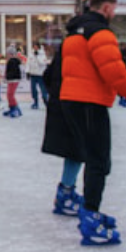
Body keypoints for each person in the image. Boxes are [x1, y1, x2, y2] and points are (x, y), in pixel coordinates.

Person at [59, 0, 126, 246]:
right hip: (89, 102)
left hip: (73, 100)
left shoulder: (74, 33)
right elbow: (115, 72)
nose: (115, 13)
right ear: (106, 8)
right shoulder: (100, 33)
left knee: (93, 157)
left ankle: (91, 209)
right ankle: (90, 217)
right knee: (98, 160)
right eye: (114, 8)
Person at [41, 42, 86, 219]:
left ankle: (67, 189)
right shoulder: (80, 49)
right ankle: (65, 193)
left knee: (75, 150)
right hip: (75, 104)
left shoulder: (65, 49)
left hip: (63, 103)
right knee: (78, 150)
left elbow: (47, 75)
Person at [26, 42, 49, 109]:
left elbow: (43, 63)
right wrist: (27, 71)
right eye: (34, 46)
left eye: (36, 46)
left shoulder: (42, 54)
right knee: (33, 89)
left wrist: (37, 56)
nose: (35, 48)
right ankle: (35, 102)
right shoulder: (31, 54)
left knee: (43, 89)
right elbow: (28, 63)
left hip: (40, 75)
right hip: (33, 74)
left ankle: (46, 101)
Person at [2, 50, 23, 118]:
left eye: (7, 54)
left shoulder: (12, 61)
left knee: (10, 94)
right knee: (9, 94)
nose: (6, 56)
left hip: (13, 80)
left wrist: (7, 77)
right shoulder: (12, 61)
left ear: (11, 54)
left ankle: (15, 109)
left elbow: (13, 71)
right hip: (12, 79)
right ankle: (13, 108)